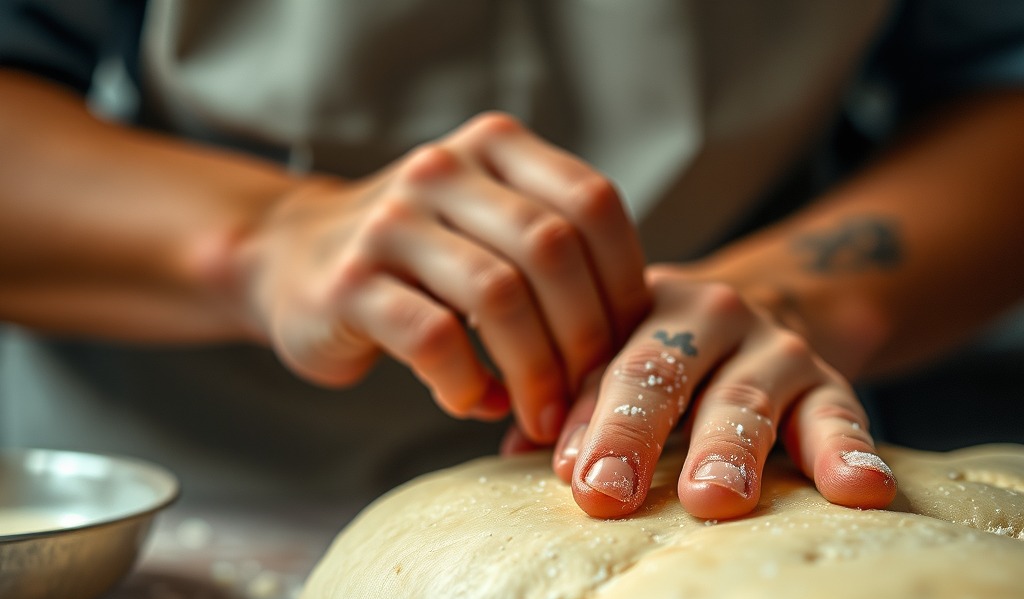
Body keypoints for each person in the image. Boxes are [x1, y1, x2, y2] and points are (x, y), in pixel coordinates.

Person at [1, 0, 1023, 520]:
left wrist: (791, 294)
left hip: (725, 477)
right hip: (156, 508)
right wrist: (264, 237)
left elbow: (998, 80)